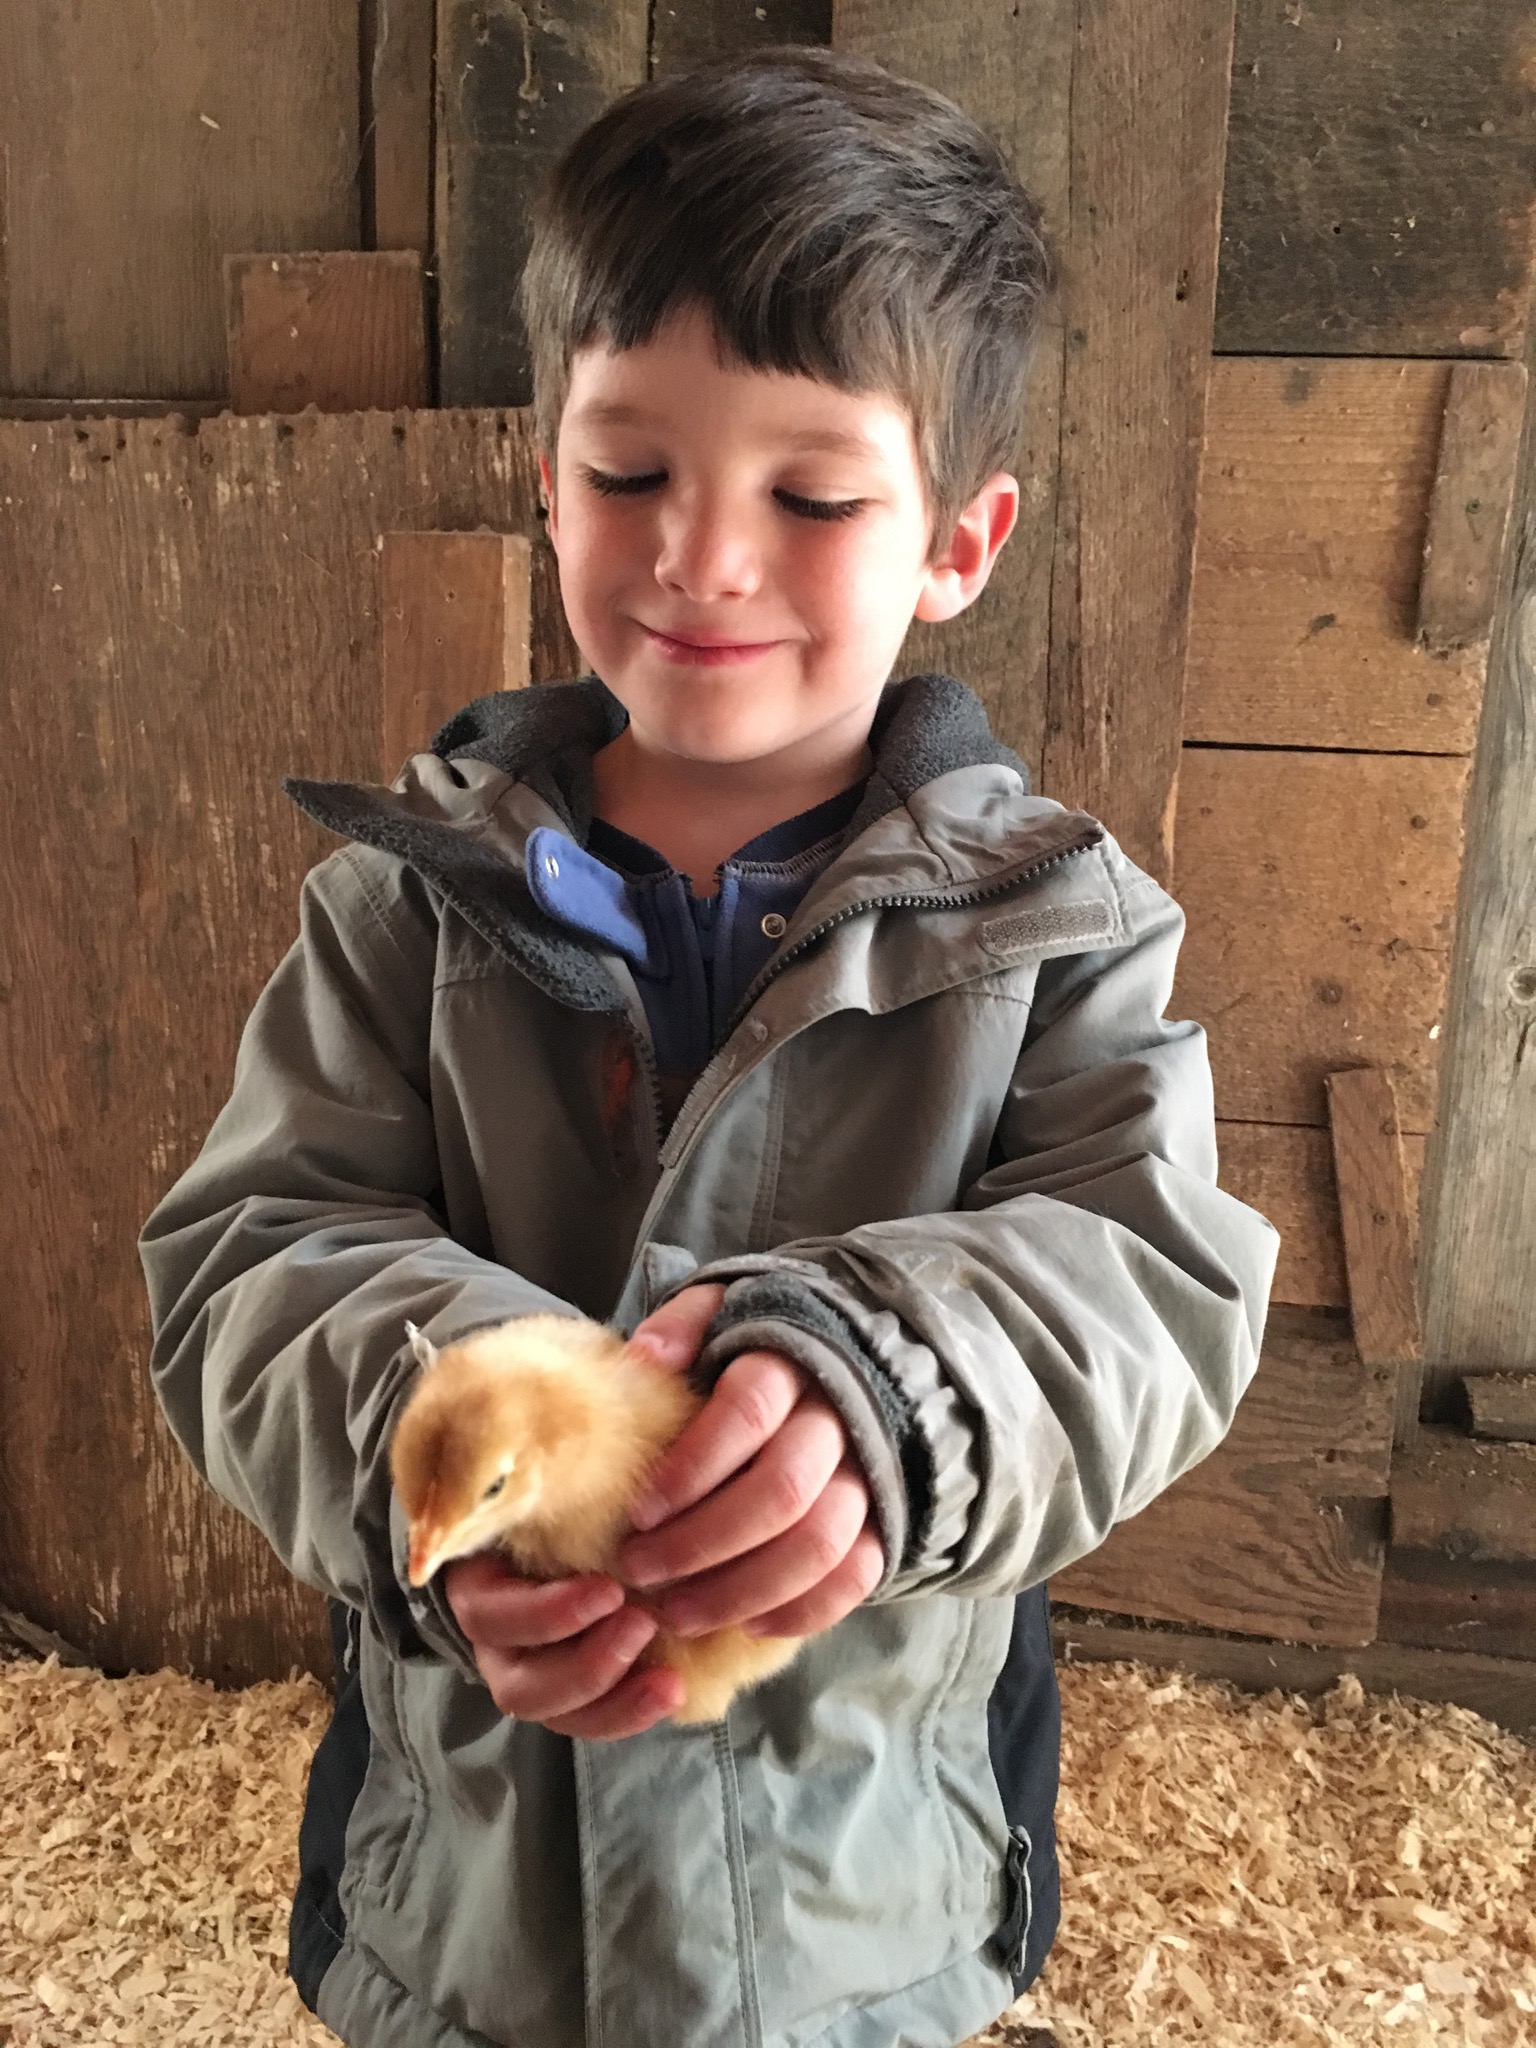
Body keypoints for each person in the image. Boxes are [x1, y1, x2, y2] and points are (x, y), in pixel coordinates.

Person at [139, 45, 1278, 2048]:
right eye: (628, 472)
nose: (701, 556)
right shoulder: (406, 908)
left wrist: (896, 1391)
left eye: (810, 494)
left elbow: (1153, 1276)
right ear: (546, 475)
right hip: (468, 1899)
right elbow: (249, 1255)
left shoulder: (1057, 929)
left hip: (867, 1896)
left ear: (959, 541)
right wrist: (453, 1442)